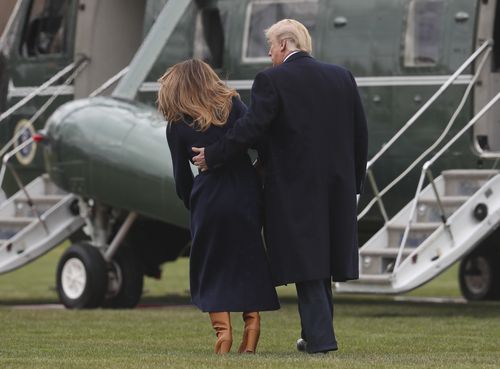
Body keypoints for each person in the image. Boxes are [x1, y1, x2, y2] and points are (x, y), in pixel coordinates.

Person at [192, 19, 368, 354]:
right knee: (321, 262)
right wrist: (354, 183)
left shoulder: (271, 80)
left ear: (285, 45)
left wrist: (213, 156)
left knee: (308, 263)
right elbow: (360, 133)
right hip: (338, 186)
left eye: (271, 46)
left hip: (295, 187)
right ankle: (313, 334)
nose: (269, 53)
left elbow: (252, 129)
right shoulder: (341, 76)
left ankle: (321, 342)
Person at [157, 59, 280, 354]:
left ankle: (223, 335)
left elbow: (180, 178)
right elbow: (260, 141)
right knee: (248, 259)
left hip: (209, 195)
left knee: (211, 264)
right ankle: (251, 331)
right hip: (245, 191)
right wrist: (257, 174)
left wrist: (193, 202)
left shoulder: (177, 125)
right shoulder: (233, 105)